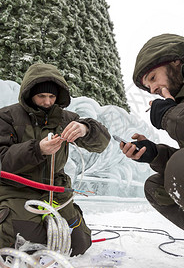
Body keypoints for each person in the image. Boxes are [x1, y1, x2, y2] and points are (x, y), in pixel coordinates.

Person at [0, 63, 111, 256]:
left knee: (79, 243)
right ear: (29, 94)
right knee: (21, 236)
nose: (47, 102)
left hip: (55, 192)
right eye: (41, 96)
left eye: (52, 96)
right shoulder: (7, 117)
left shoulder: (67, 118)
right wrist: (37, 149)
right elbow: (3, 159)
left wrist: (85, 129)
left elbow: (101, 142)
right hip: (16, 190)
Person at [120, 33, 184, 240]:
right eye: (148, 87)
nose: (152, 89)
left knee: (183, 165)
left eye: (153, 78)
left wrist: (169, 115)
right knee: (157, 187)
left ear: (175, 60)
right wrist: (154, 154)